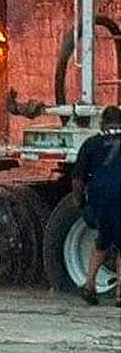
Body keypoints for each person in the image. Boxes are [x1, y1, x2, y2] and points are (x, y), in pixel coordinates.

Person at [71, 105, 121, 306]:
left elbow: (77, 178)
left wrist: (79, 201)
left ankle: (90, 285)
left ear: (102, 123)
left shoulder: (91, 144)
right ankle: (119, 294)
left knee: (102, 240)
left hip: (100, 198)